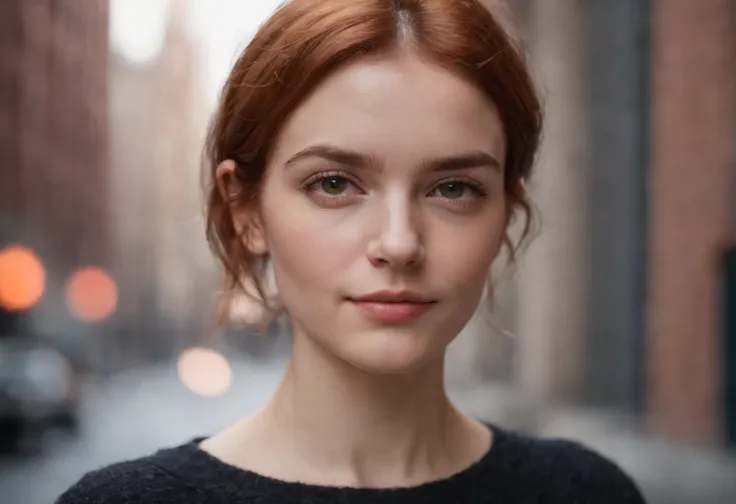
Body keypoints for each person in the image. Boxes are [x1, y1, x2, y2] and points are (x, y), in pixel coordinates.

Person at [57, 0, 648, 502]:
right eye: (334, 184)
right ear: (247, 213)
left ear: (506, 212)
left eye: (453, 188)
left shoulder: (585, 492)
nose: (398, 243)